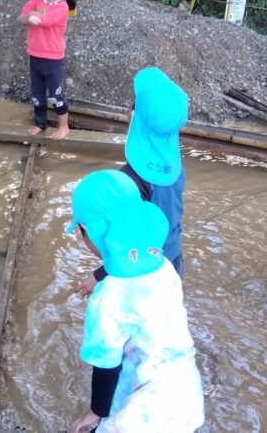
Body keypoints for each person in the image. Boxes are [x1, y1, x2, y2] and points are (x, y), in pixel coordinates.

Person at [68, 169, 204, 433]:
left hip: (145, 414)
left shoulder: (108, 298)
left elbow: (106, 366)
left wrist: (95, 413)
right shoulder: (163, 265)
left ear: (85, 228)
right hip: (186, 396)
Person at [77, 67, 189, 299]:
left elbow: (124, 246)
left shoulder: (127, 184)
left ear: (133, 115)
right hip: (172, 258)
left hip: (144, 270)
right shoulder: (174, 166)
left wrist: (97, 276)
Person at [18, 0, 76, 140]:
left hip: (53, 59)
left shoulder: (62, 7)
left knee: (56, 95)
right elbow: (22, 18)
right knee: (37, 94)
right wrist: (28, 17)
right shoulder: (36, 0)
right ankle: (40, 124)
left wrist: (36, 18)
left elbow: (49, 19)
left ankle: (64, 126)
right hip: (35, 55)